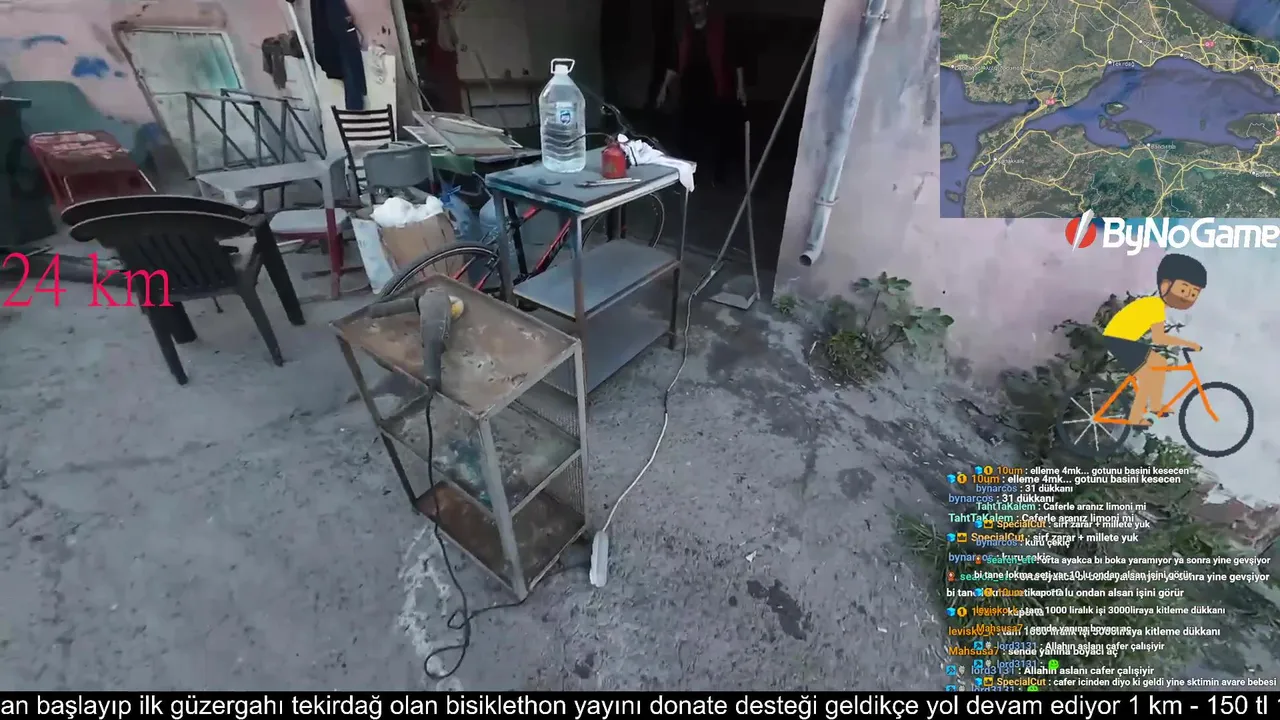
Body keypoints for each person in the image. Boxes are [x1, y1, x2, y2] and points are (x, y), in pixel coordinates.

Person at [1101, 253, 1206, 425]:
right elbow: (1159, 338)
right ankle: (1136, 418)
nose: (1186, 297)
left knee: (1159, 363)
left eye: (1193, 294)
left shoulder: (1157, 306)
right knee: (1148, 377)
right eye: (1183, 290)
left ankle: (1155, 406)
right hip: (1119, 339)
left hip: (1124, 339)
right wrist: (1188, 344)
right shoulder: (1155, 306)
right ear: (1165, 285)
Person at [656, 0, 747, 185]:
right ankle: (690, 174)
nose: (694, 10)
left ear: (706, 4)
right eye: (691, 6)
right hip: (690, 89)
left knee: (717, 133)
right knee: (687, 134)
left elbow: (736, 60)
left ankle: (718, 176)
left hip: (714, 87)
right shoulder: (685, 32)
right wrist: (663, 88)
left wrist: (741, 87)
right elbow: (675, 63)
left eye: (697, 5)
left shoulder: (719, 30)